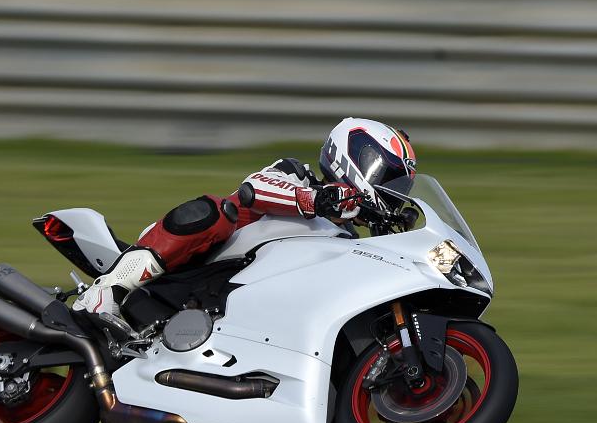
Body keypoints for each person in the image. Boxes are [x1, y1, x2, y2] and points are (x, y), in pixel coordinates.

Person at [73, 117, 417, 318]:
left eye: (399, 187)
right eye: (389, 180)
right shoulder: (297, 175)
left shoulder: (347, 240)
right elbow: (255, 188)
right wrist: (316, 199)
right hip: (196, 264)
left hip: (236, 305)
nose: (391, 193)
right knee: (216, 211)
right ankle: (109, 290)